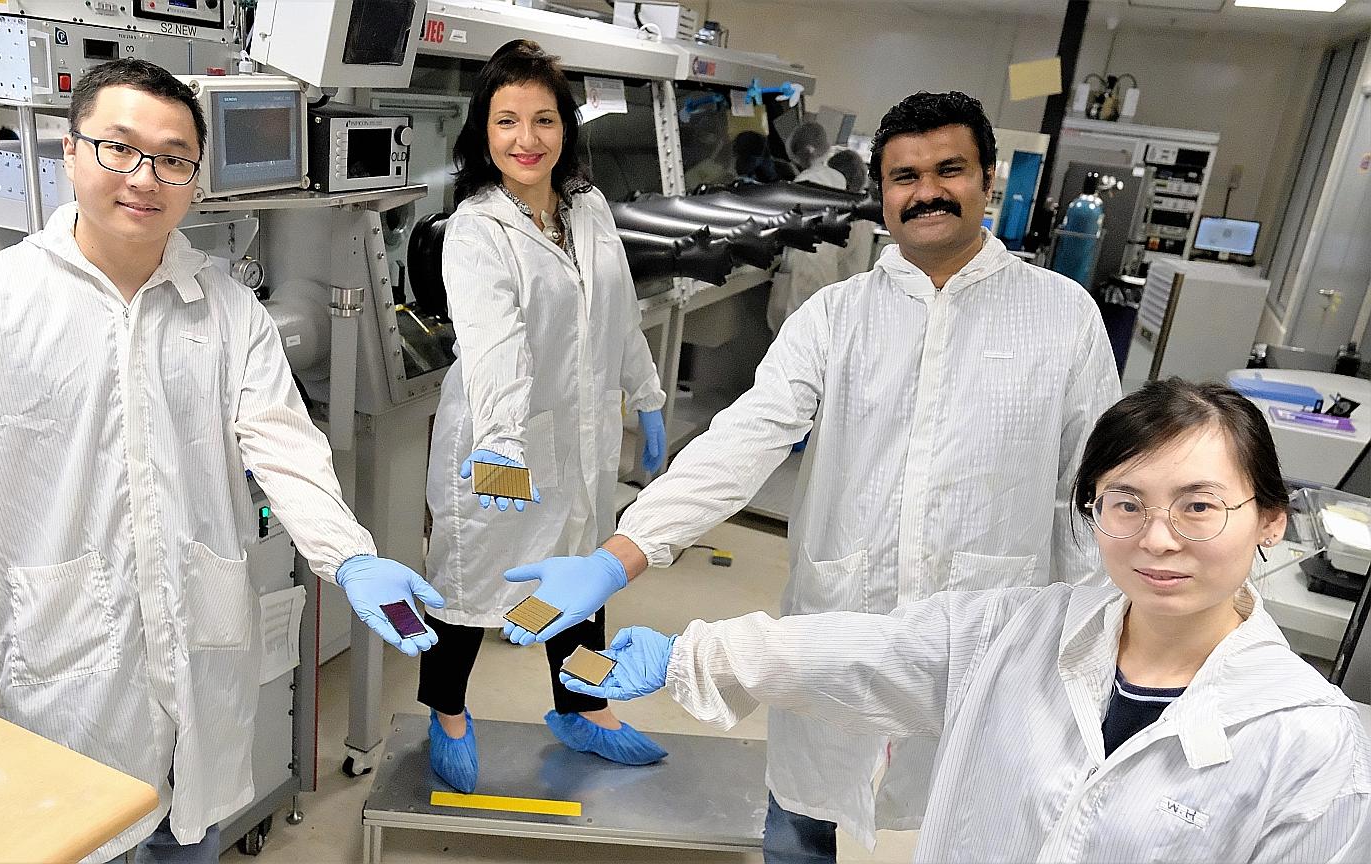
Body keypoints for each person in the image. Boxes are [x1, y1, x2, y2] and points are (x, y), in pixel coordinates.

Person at [0, 59, 443, 863]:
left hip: (202, 651)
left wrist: (353, 557)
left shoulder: (229, 312)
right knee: (86, 837)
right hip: (69, 658)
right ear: (72, 154)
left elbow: (288, 452)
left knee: (190, 836)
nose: (145, 178)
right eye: (119, 149)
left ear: (195, 178)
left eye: (172, 158)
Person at [501, 91, 1122, 863]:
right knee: (802, 820)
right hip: (842, 618)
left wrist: (1101, 645)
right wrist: (621, 553)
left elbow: (1097, 498)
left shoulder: (1062, 317)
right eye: (904, 177)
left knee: (985, 821)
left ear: (988, 180)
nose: (926, 191)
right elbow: (744, 439)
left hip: (995, 635)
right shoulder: (837, 317)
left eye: (949, 170)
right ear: (882, 193)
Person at [565, 379, 1371, 862]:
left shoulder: (1310, 742)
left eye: (1199, 506)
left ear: (1270, 520)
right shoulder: (1020, 633)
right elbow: (868, 654)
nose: (1158, 538)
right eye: (1126, 503)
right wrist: (692, 655)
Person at [418, 39, 669, 795]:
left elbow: (620, 313)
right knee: (468, 587)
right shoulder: (476, 230)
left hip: (581, 439)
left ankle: (583, 707)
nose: (526, 140)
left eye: (543, 120)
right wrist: (499, 445)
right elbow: (495, 349)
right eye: (507, 122)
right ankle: (448, 711)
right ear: (482, 133)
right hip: (500, 445)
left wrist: (649, 397)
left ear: (566, 128)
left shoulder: (587, 209)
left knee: (580, 582)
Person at [768, 121, 846, 333]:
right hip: (827, 263)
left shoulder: (805, 181)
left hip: (804, 267)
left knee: (792, 333)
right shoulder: (838, 178)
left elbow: (785, 223)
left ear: (807, 151)